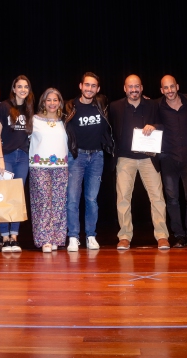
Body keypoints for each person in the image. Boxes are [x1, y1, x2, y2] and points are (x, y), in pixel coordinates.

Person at [109, 74, 169, 250]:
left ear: (142, 88)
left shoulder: (153, 105)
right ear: (125, 88)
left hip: (148, 158)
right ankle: (125, 236)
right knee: (123, 198)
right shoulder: (114, 107)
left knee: (157, 198)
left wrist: (155, 127)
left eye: (137, 87)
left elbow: (163, 124)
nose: (134, 90)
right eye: (130, 87)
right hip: (124, 158)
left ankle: (162, 235)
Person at [63, 72, 113, 252]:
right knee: (73, 199)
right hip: (76, 157)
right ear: (80, 86)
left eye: (93, 86)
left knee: (91, 199)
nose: (89, 89)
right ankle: (73, 237)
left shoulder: (102, 104)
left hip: (97, 156)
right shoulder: (69, 106)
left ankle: (91, 235)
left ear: (97, 89)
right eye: (87, 85)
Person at [157, 75, 187, 248]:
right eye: (165, 88)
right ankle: (179, 235)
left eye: (172, 86)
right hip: (168, 159)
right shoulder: (157, 105)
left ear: (177, 86)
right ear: (161, 90)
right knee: (172, 199)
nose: (169, 91)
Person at [0, 75, 34, 252]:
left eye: (26, 87)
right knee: (4, 195)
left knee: (17, 196)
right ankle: (4, 236)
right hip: (7, 156)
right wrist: (1, 158)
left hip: (23, 157)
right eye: (19, 86)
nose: (23, 90)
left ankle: (14, 236)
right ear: (14, 88)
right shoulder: (4, 106)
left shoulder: (30, 107)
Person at [29, 88, 69, 253]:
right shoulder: (34, 119)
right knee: (43, 202)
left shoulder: (65, 120)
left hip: (61, 166)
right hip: (39, 167)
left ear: (60, 102)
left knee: (59, 203)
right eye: (49, 100)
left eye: (55, 100)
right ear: (43, 102)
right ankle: (44, 238)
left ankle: (56, 238)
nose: (52, 103)